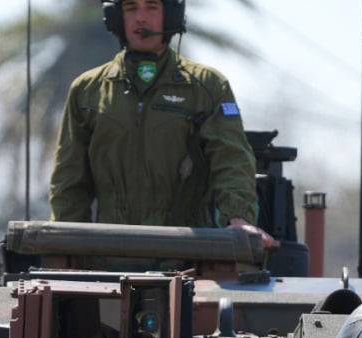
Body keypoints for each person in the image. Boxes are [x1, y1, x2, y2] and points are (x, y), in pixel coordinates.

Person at [49, 0, 275, 248]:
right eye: (131, 8)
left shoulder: (207, 87)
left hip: (188, 256)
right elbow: (68, 179)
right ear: (115, 18)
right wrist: (65, 245)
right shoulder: (87, 91)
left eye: (152, 7)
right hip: (109, 254)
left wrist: (238, 217)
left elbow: (231, 158)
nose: (141, 18)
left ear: (172, 16)